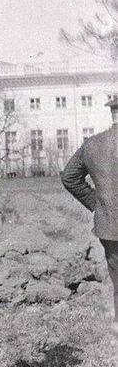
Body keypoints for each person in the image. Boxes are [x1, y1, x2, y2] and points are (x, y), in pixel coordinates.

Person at [61, 96, 118, 338]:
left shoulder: (93, 144)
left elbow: (69, 177)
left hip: (109, 224)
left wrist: (97, 204)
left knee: (117, 275)